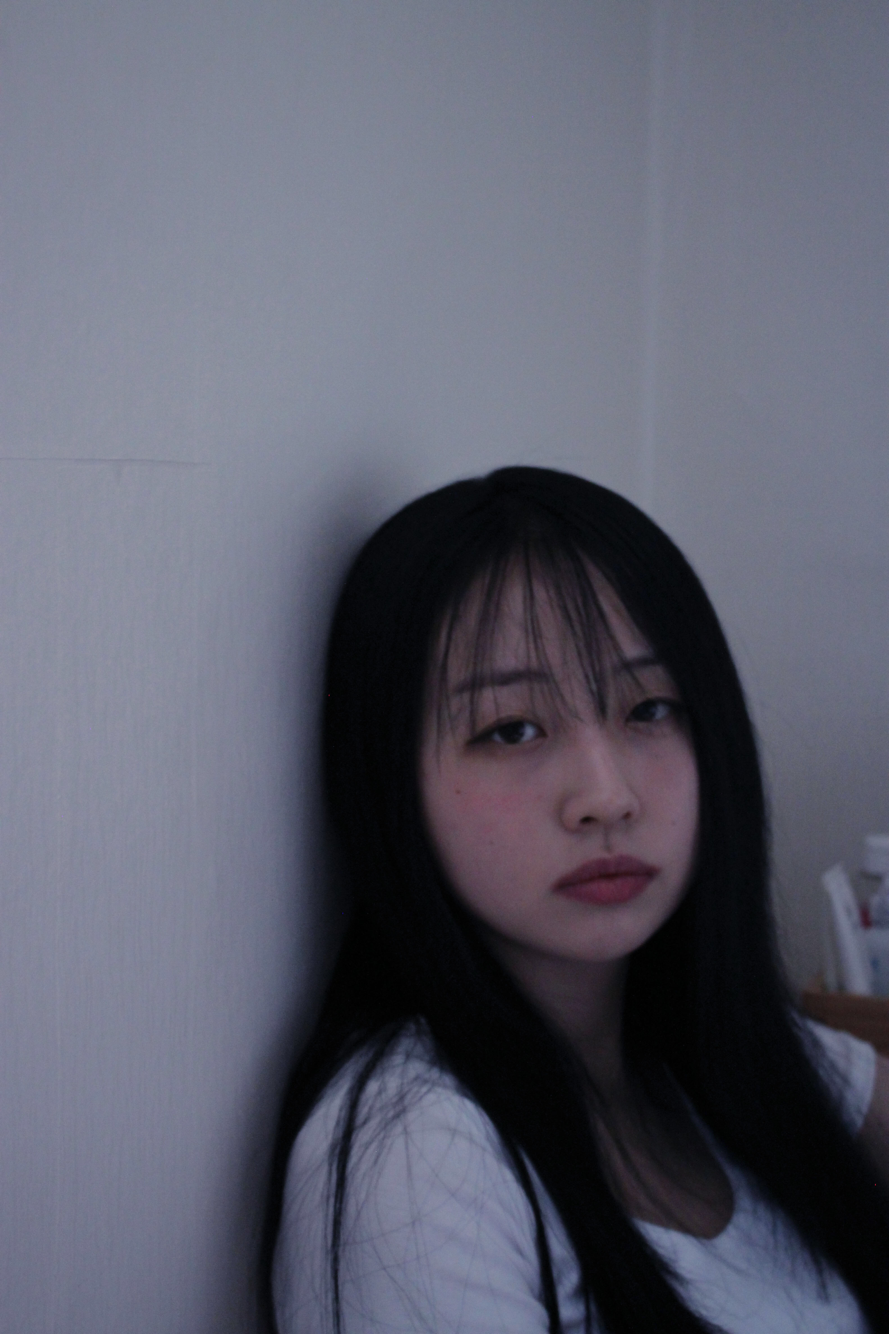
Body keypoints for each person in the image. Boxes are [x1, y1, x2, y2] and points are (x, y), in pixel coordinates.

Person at [262, 466, 889, 1334]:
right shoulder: (418, 1155)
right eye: (511, 729)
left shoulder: (730, 1056)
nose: (605, 796)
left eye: (649, 709)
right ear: (389, 781)